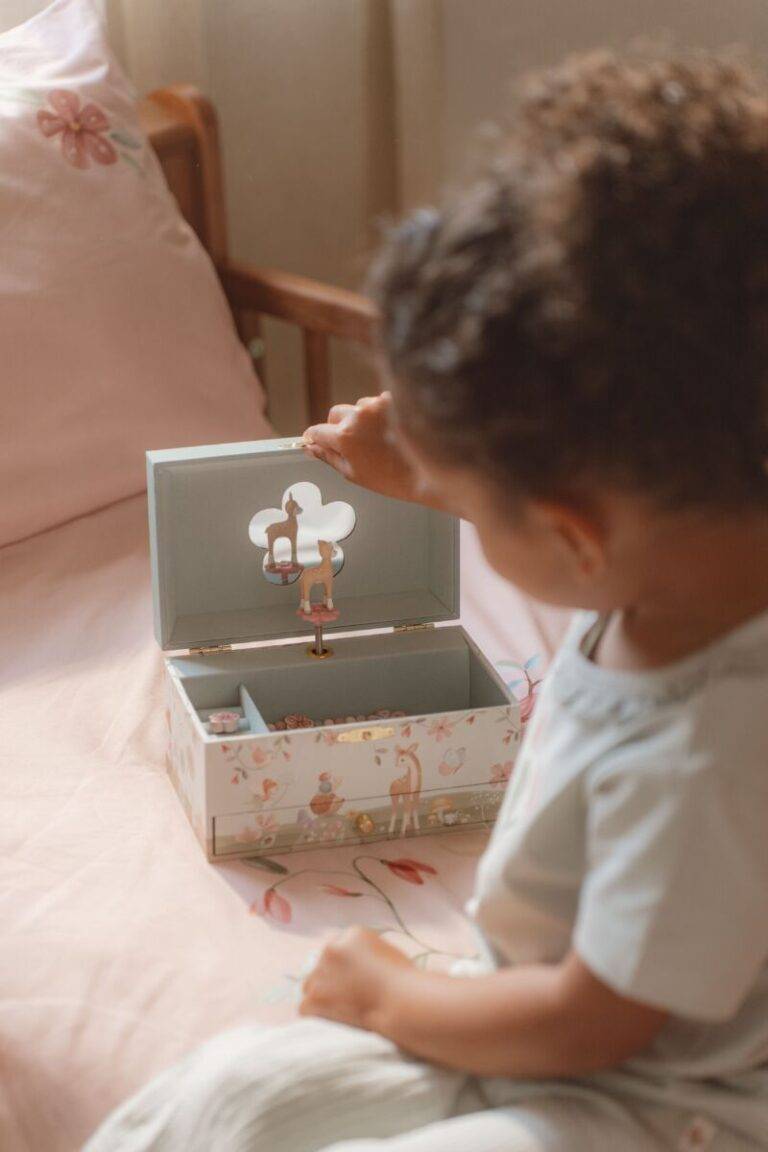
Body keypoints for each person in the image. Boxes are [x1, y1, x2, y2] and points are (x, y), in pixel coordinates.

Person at [86, 48, 768, 1152]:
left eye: (468, 504)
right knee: (238, 1096)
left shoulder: (709, 757)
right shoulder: (695, 548)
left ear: (571, 533)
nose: (452, 516)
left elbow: (588, 1025)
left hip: (656, 1095)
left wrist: (390, 995)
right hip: (556, 1005)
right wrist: (431, 466)